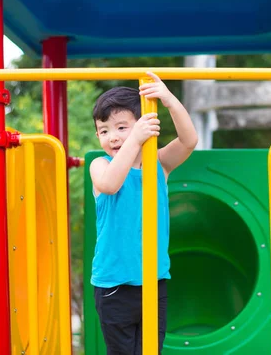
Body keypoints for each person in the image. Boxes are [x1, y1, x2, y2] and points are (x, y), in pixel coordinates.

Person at [89, 71, 198, 354]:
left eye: (121, 128)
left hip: (153, 280)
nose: (112, 137)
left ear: (144, 124)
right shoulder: (100, 166)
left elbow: (188, 141)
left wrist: (168, 99)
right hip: (115, 284)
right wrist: (133, 140)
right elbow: (111, 185)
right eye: (103, 130)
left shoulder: (158, 164)